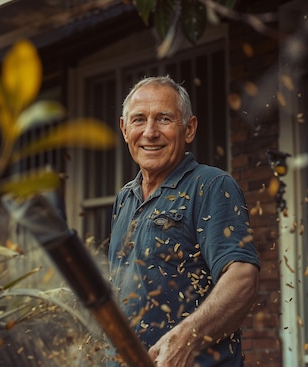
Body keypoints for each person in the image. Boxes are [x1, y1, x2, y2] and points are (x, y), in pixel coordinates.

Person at [108, 75, 260, 367]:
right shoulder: (123, 199)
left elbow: (242, 277)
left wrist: (187, 338)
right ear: (125, 129)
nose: (150, 132)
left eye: (164, 119)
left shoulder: (211, 185)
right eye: (139, 120)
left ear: (189, 129)